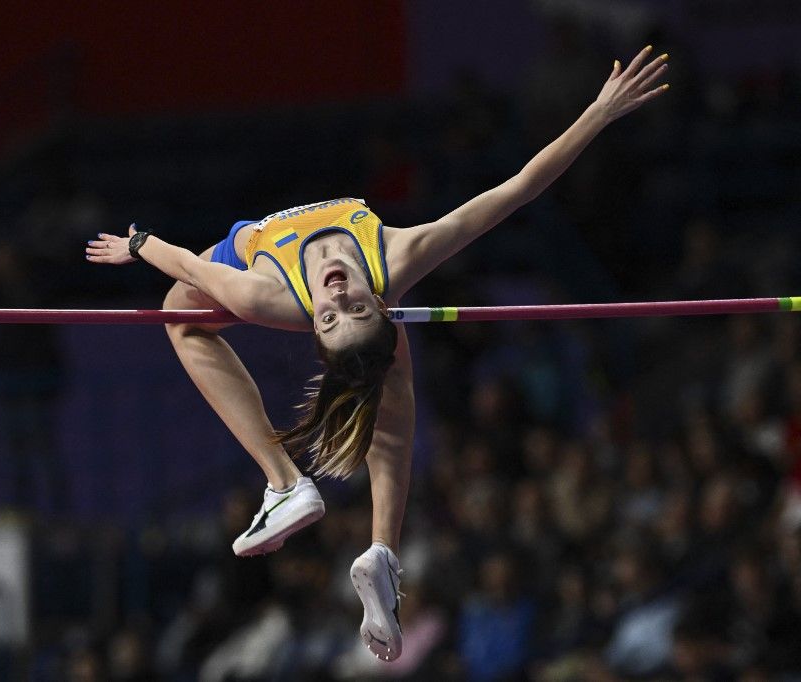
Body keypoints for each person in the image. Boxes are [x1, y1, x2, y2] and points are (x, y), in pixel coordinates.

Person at [86, 46, 670, 662]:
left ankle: (289, 488)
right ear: (381, 306)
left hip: (246, 250)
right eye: (356, 307)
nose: (338, 294)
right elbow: (519, 189)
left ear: (315, 326)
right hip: (294, 274)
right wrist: (598, 114)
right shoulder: (396, 260)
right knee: (367, 361)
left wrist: (139, 242)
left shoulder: (269, 296)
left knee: (184, 319)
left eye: (332, 317)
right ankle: (367, 542)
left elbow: (180, 260)